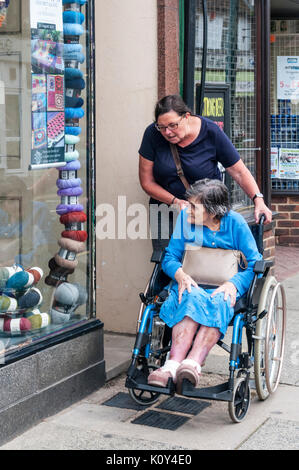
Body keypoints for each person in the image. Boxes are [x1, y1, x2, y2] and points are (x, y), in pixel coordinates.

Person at [147, 179, 262, 392]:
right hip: (190, 282)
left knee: (220, 300)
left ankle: (192, 364)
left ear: (212, 210)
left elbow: (255, 263)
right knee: (189, 296)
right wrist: (180, 275)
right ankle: (171, 366)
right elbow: (170, 257)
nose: (187, 209)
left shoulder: (235, 223)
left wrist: (234, 284)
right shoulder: (184, 219)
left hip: (223, 286)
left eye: (193, 206)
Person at [139, 94, 272, 250]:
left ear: (186, 116)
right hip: (165, 210)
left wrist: (258, 200)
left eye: (172, 125)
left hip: (207, 212)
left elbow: (239, 172)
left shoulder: (210, 131)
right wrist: (176, 201)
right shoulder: (152, 134)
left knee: (206, 262)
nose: (167, 132)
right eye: (161, 127)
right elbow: (146, 182)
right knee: (166, 262)